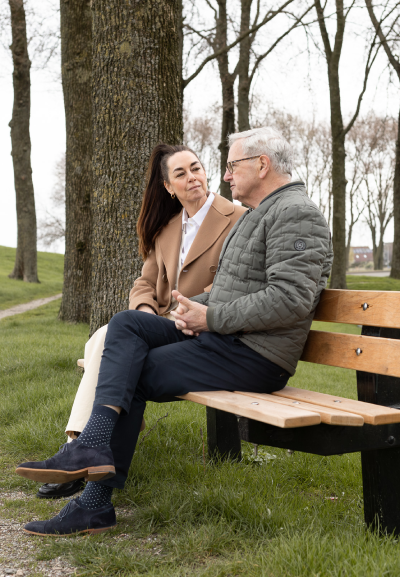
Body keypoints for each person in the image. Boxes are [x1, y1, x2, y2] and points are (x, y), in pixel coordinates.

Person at [17, 126, 333, 536]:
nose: (225, 176)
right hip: (228, 338)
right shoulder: (260, 214)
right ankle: (90, 449)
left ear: (262, 164)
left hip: (256, 355)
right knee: (127, 323)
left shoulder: (296, 212)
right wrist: (190, 310)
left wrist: (211, 319)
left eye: (232, 166)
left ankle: (93, 501)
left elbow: (290, 299)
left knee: (136, 371)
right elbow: (226, 291)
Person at [36, 142, 246, 500]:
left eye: (195, 168)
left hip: (200, 327)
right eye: (180, 173)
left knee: (106, 340)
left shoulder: (237, 219)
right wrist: (146, 310)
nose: (192, 177)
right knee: (108, 336)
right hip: (159, 325)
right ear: (168, 186)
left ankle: (78, 449)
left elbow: (231, 285)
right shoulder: (166, 229)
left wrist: (186, 310)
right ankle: (83, 448)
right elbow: (145, 283)